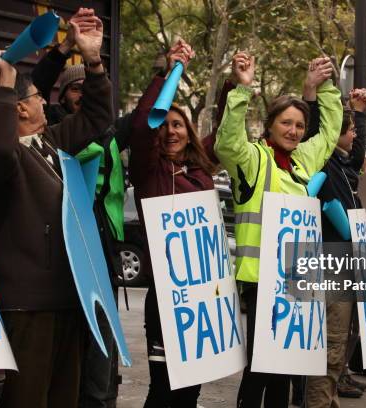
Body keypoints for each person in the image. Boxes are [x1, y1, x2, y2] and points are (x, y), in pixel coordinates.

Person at [0, 13, 111, 407]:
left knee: (63, 397)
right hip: (28, 307)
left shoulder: (50, 144)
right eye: (37, 99)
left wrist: (93, 61)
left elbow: (98, 117)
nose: (46, 106)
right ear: (18, 109)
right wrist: (6, 84)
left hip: (68, 300)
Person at [214, 52, 343, 408]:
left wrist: (324, 86)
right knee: (260, 371)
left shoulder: (304, 161)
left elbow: (331, 131)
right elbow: (226, 143)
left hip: (296, 284)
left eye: (300, 126)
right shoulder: (253, 159)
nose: (294, 131)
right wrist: (242, 89)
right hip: (260, 284)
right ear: (270, 125)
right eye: (286, 123)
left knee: (285, 373)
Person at [30, 10, 127, 406]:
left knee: (101, 365)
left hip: (98, 256)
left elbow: (111, 114)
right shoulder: (48, 132)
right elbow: (26, 91)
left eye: (88, 89)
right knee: (63, 369)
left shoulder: (103, 128)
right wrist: (64, 48)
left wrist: (93, 59)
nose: (82, 94)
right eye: (75, 89)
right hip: (56, 263)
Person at [128, 40, 219, 408]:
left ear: (190, 131)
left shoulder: (201, 171)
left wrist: (234, 87)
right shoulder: (148, 171)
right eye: (164, 125)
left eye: (178, 124)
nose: (170, 131)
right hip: (165, 301)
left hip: (203, 300)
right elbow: (140, 124)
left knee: (190, 392)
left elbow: (227, 129)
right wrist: (167, 74)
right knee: (163, 388)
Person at [305, 89, 366, 408]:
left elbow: (357, 154)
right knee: (330, 345)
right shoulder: (324, 164)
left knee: (342, 342)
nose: (356, 135)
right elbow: (318, 127)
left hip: (349, 265)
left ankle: (328, 400)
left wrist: (359, 113)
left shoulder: (346, 169)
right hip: (331, 269)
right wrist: (313, 94)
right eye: (351, 128)